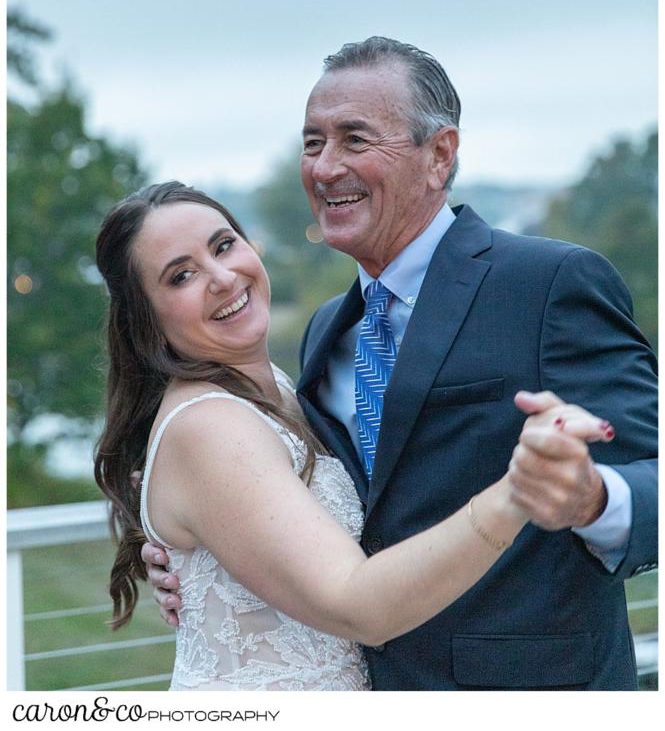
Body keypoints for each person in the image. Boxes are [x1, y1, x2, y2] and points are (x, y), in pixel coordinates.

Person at [143, 37, 658, 690]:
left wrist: (591, 498)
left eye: (354, 140)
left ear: (439, 155)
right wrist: (196, 554)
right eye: (311, 143)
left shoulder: (548, 283)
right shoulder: (328, 329)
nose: (325, 167)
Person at [95, 181, 609, 692]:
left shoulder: (276, 385)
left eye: (224, 245)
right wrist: (517, 492)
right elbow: (357, 603)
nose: (223, 277)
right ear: (147, 320)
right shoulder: (208, 426)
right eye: (181, 276)